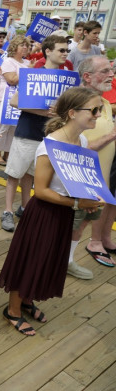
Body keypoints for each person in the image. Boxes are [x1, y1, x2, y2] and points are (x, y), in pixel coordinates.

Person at [0, 87, 104, 336]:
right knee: (31, 259)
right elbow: (41, 191)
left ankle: (26, 300)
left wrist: (91, 194)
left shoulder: (82, 140)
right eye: (94, 110)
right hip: (45, 212)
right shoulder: (51, 145)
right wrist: (78, 204)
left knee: (45, 259)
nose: (98, 115)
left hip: (63, 210)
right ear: (72, 113)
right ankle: (13, 310)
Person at [0, 34, 66, 233]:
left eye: (66, 50)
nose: (65, 54)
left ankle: (25, 207)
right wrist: (45, 112)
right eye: (61, 50)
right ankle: (8, 211)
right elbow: (14, 101)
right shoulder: (34, 73)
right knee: (15, 173)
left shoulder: (66, 77)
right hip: (28, 130)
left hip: (50, 136)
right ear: (48, 51)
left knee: (31, 173)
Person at [70, 56, 116, 276]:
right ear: (87, 77)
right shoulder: (76, 103)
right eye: (105, 71)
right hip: (79, 180)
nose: (111, 74)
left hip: (99, 180)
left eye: (111, 70)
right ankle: (62, 262)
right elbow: (72, 147)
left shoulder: (104, 102)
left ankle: (67, 261)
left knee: (84, 222)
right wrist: (112, 136)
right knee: (74, 224)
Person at [0, 35, 31, 168]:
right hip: (6, 98)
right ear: (15, 47)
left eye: (26, 45)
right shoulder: (8, 61)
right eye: (22, 45)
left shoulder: (27, 62)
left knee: (14, 126)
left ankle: (7, 153)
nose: (25, 47)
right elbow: (12, 79)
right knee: (4, 126)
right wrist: (28, 71)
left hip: (20, 98)